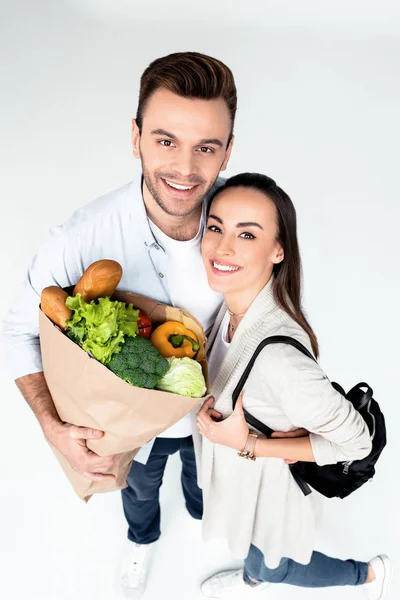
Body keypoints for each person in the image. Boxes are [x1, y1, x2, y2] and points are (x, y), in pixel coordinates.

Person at [1, 51, 237, 596]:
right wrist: (49, 423)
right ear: (134, 138)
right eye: (165, 140)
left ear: (228, 151)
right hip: (130, 433)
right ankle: (143, 539)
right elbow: (17, 331)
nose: (185, 168)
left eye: (206, 147)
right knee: (139, 493)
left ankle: (205, 518)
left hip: (214, 420)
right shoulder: (80, 238)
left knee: (207, 485)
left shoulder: (243, 223)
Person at [195, 173, 391, 599]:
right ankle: (254, 574)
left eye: (247, 234)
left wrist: (249, 444)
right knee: (257, 552)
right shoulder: (226, 306)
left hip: (271, 488)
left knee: (276, 563)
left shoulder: (279, 360)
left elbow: (357, 443)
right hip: (244, 478)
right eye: (216, 226)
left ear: (278, 250)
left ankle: (368, 576)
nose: (222, 246)